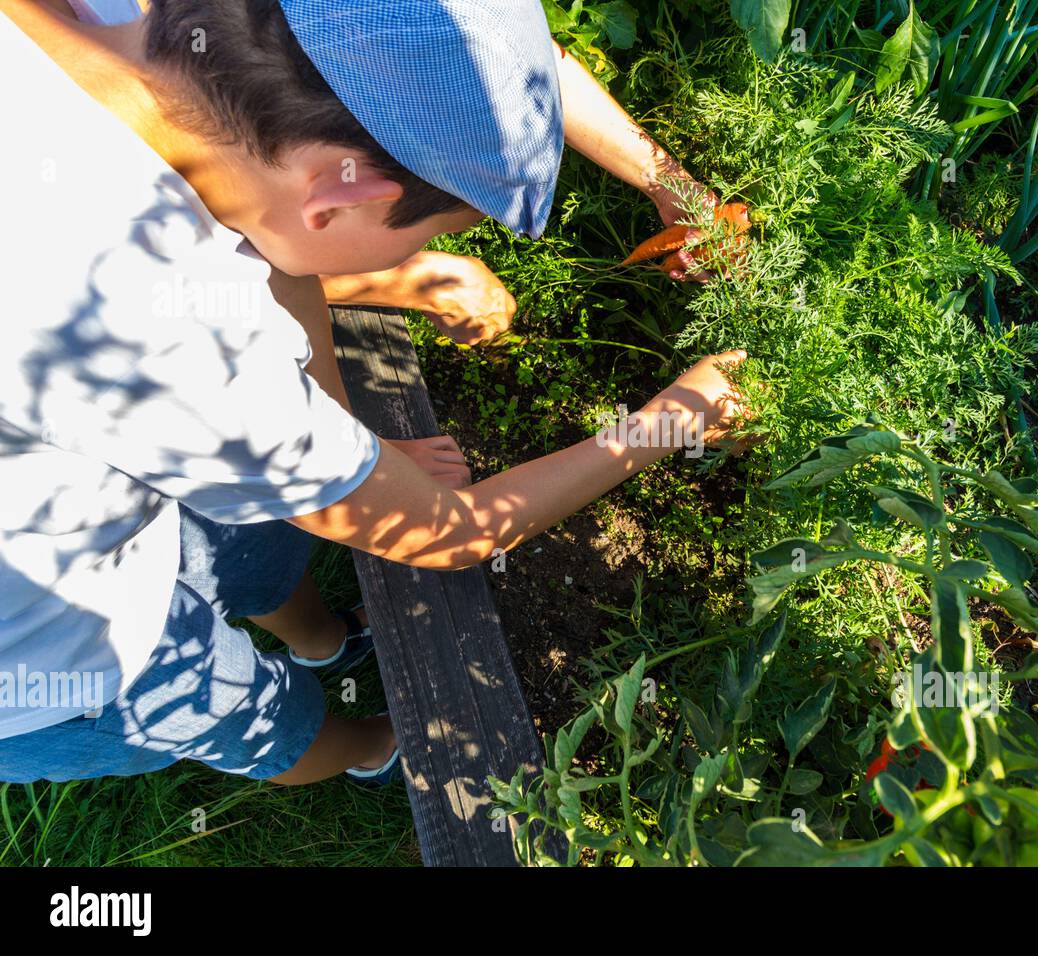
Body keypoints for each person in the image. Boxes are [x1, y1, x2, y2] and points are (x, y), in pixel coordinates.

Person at [0, 0, 750, 787]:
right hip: (49, 652)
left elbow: (438, 48)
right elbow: (450, 534)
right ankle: (362, 747)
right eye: (431, 234)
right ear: (337, 197)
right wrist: (677, 418)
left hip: (56, 484)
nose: (430, 245)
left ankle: (322, 640)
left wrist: (395, 278)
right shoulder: (181, 341)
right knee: (239, 712)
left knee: (245, 554)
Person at [51, 0, 722, 345]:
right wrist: (401, 280)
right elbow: (196, 286)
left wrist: (671, 181)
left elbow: (458, 38)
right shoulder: (97, 232)